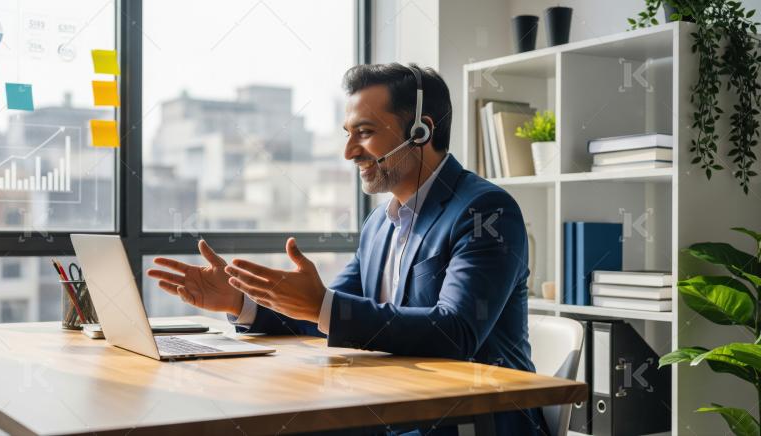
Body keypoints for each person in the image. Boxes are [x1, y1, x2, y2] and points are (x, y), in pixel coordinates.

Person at [147, 63, 546, 435]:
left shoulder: (484, 211)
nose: (349, 152)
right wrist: (243, 302)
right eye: (348, 133)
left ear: (421, 131)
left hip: (468, 422)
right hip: (393, 404)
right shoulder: (379, 224)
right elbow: (326, 314)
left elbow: (456, 332)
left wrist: (323, 306)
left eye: (366, 132)